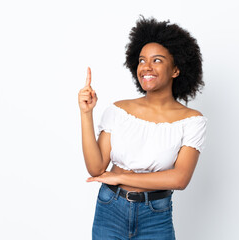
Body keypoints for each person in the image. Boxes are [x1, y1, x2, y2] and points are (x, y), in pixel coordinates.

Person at [78, 16, 207, 240]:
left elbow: (179, 179)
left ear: (176, 69)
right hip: (110, 210)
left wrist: (120, 178)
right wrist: (86, 113)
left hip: (155, 216)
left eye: (157, 60)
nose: (146, 67)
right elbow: (96, 168)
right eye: (141, 60)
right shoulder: (118, 111)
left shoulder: (192, 121)